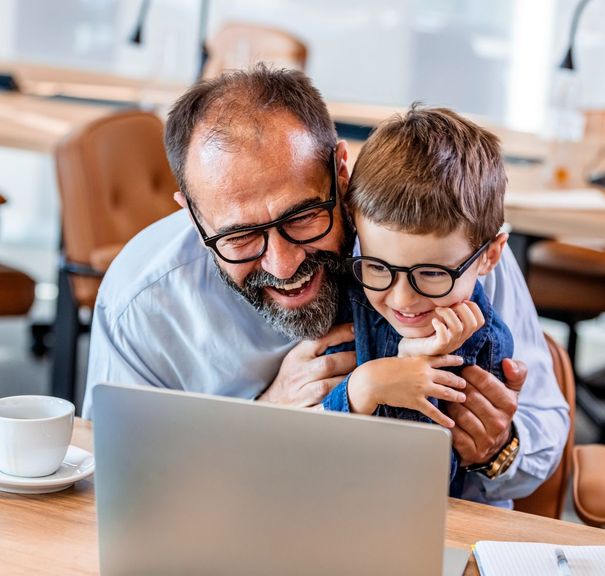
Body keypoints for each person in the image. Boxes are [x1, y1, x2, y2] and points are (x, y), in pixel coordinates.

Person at [84, 65, 569, 507]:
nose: (282, 262)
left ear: (341, 171)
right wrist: (265, 419)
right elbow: (122, 480)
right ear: (192, 215)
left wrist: (497, 450)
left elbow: (544, 432)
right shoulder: (142, 301)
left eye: (303, 216)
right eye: (240, 236)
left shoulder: (445, 245)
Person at [320, 106, 514, 493]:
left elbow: (422, 482)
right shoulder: (345, 297)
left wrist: (416, 362)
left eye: (431, 274)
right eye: (377, 266)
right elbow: (314, 457)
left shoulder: (483, 343)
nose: (403, 298)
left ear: (490, 255)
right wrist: (362, 388)